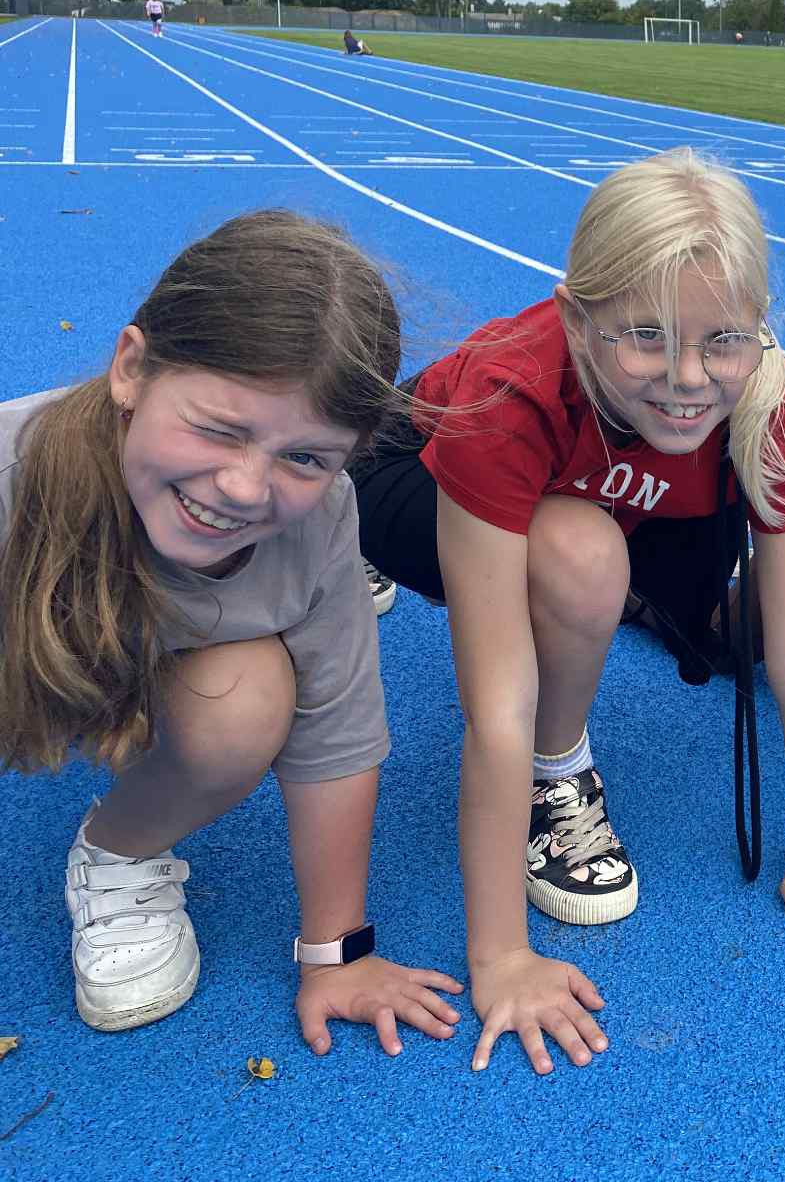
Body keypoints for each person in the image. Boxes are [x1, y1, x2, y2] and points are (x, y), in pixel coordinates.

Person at [349, 152, 785, 1076]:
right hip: (418, 476)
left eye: (722, 339)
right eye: (644, 334)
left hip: (620, 488)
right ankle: (557, 777)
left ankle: (587, 579)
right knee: (578, 555)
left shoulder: (769, 403)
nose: (688, 378)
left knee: (631, 573)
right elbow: (494, 705)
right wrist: (501, 957)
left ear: (760, 327)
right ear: (575, 315)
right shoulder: (509, 394)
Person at [0, 212, 463, 1051]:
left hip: (171, 663)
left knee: (247, 699)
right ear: (131, 368)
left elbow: (339, 736)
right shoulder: (11, 482)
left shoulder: (321, 524)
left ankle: (119, 853)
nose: (247, 487)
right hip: (24, 652)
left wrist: (338, 955)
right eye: (219, 428)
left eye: (307, 458)